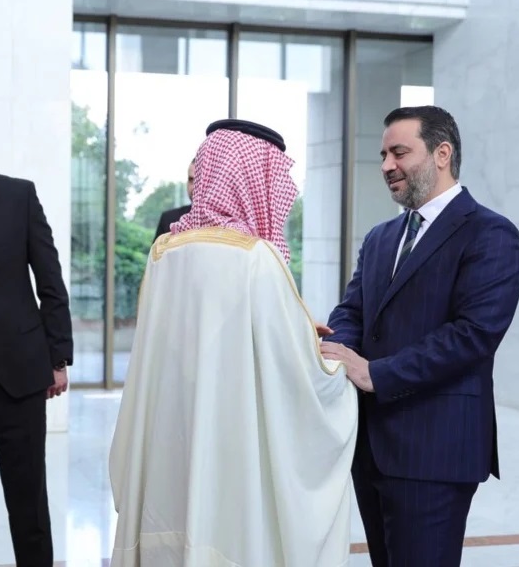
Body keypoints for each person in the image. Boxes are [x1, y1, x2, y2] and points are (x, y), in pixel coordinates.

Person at [109, 119, 358, 567]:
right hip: (231, 435)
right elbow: (287, 368)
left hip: (172, 432)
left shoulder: (163, 252)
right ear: (251, 178)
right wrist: (336, 369)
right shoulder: (254, 257)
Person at [320, 106, 519, 567]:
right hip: (371, 448)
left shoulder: (491, 233)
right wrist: (335, 347)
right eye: (383, 155)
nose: (386, 165)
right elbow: (353, 310)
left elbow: (473, 335)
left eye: (399, 152)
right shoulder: (380, 237)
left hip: (436, 450)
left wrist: (375, 373)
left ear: (441, 154)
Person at [0, 168, 73, 567]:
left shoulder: (16, 195)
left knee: (28, 502)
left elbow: (50, 279)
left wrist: (58, 357)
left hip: (19, 371)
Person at [152, 158, 195, 241]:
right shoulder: (168, 219)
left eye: (199, 180)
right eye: (191, 180)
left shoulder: (221, 223)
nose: (193, 187)